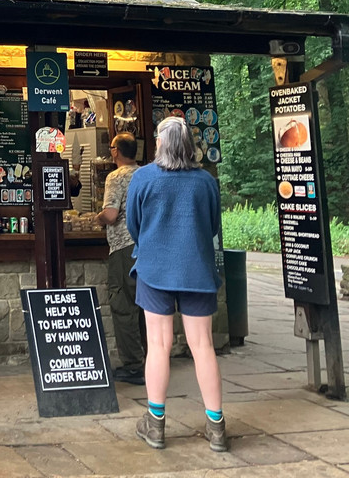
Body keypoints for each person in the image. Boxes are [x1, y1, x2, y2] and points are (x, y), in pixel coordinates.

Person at [127, 116, 226, 453]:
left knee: (158, 345)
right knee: (203, 346)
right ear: (189, 146)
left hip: (155, 270)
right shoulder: (206, 182)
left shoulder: (142, 178)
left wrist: (154, 244)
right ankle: (216, 428)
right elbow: (213, 226)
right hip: (197, 269)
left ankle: (155, 425)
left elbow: (133, 224)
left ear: (160, 143)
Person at [95, 133, 145, 385]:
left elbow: (112, 214)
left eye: (111, 147)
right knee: (146, 304)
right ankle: (150, 358)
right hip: (146, 246)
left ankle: (134, 365)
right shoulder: (147, 174)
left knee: (123, 304)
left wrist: (98, 217)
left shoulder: (115, 177)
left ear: (116, 152)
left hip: (123, 247)